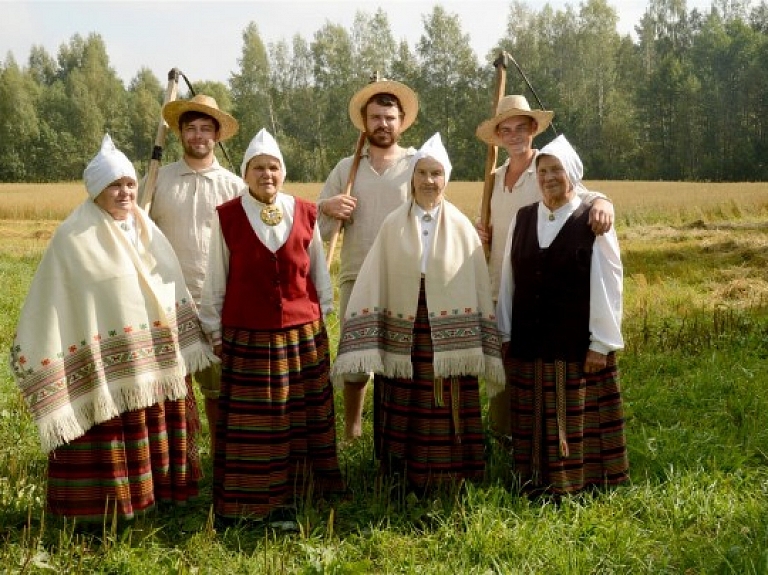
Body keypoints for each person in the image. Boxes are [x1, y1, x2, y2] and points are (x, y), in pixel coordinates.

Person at [9, 134, 215, 523]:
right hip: (106, 371)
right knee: (113, 434)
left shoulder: (148, 231)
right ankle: (107, 510)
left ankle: (165, 497)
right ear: (96, 191)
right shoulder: (73, 237)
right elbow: (57, 298)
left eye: (129, 184)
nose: (124, 193)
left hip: (156, 361)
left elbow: (166, 285)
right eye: (114, 185)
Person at [332, 133, 505, 490]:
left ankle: (452, 471)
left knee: (445, 397)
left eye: (436, 174)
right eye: (422, 172)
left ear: (447, 179)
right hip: (405, 323)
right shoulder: (393, 224)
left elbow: (476, 283)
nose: (429, 180)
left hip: (448, 328)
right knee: (403, 394)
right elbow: (374, 276)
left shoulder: (462, 227)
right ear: (412, 177)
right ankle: (399, 471)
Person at [200, 128, 343, 522]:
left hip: (302, 331)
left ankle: (302, 492)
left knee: (300, 414)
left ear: (283, 172)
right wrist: (213, 327)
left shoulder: (304, 211)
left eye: (274, 167)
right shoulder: (228, 216)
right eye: (259, 167)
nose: (267, 174)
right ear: (245, 174)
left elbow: (317, 268)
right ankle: (251, 500)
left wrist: (322, 309)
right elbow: (217, 276)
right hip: (249, 333)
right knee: (259, 420)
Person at [475, 95, 615, 444]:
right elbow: (493, 231)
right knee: (504, 370)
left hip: (546, 288)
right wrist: (480, 233)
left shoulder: (549, 163)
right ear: (498, 137)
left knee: (541, 370)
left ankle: (541, 441)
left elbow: (579, 193)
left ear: (533, 129)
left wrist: (603, 200)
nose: (513, 135)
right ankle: (505, 437)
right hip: (500, 282)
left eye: (520, 128)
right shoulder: (493, 178)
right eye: (505, 130)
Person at [496, 134, 629, 496]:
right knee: (532, 413)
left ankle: (579, 483)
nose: (549, 177)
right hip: (528, 339)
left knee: (573, 414)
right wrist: (505, 333)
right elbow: (510, 280)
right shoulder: (523, 219)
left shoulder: (593, 220)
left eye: (556, 170)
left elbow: (608, 282)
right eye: (543, 171)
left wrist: (601, 343)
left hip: (574, 343)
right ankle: (533, 479)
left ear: (572, 173)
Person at [317, 79, 419, 441]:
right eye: (375, 117)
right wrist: (329, 208)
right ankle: (353, 428)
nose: (383, 124)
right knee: (356, 354)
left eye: (389, 117)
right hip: (356, 272)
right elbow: (316, 225)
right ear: (365, 122)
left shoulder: (416, 163)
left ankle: (395, 429)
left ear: (401, 121)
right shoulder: (348, 168)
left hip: (403, 274)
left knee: (400, 352)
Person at [148, 94, 246, 456]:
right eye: (192, 128)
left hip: (216, 300)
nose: (199, 135)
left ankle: (222, 455)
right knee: (171, 387)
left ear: (217, 135)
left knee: (218, 388)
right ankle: (179, 459)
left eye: (206, 128)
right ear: (180, 134)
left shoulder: (235, 187)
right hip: (166, 298)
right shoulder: (157, 181)